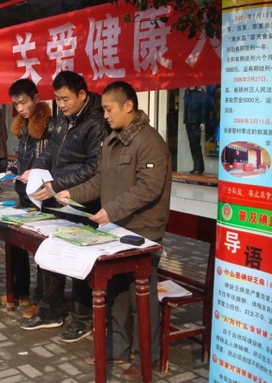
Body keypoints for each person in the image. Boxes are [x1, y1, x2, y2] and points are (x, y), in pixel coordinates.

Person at [57, 81, 172, 381]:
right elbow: (100, 180)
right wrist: (72, 193)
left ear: (128, 106)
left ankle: (146, 357)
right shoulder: (112, 139)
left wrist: (113, 210)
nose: (105, 116)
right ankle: (119, 348)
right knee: (117, 292)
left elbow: (148, 188)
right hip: (115, 229)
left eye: (109, 110)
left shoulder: (149, 141)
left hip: (142, 231)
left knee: (140, 296)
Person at [19, 70, 108, 344]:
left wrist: (56, 184)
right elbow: (51, 150)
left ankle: (82, 319)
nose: (62, 104)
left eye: (66, 99)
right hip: (56, 196)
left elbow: (93, 168)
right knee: (50, 252)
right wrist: (36, 168)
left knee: (79, 259)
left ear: (82, 94)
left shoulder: (96, 122)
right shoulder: (62, 118)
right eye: (58, 99)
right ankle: (51, 311)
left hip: (82, 199)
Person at [0, 78, 55, 317]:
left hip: (42, 197)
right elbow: (21, 158)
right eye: (16, 104)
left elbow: (52, 161)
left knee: (41, 250)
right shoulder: (22, 127)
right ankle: (20, 293)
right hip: (23, 194)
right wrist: (11, 171)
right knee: (15, 243)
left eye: (23, 102)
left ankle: (41, 299)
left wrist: (35, 172)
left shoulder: (50, 126)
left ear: (36, 99)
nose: (20, 108)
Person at [183, 86, 207, 174]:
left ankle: (199, 166)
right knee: (192, 145)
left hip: (196, 122)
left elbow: (203, 108)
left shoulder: (200, 93)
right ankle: (196, 166)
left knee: (196, 145)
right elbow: (185, 107)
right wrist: (185, 120)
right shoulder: (187, 92)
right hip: (189, 121)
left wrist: (202, 121)